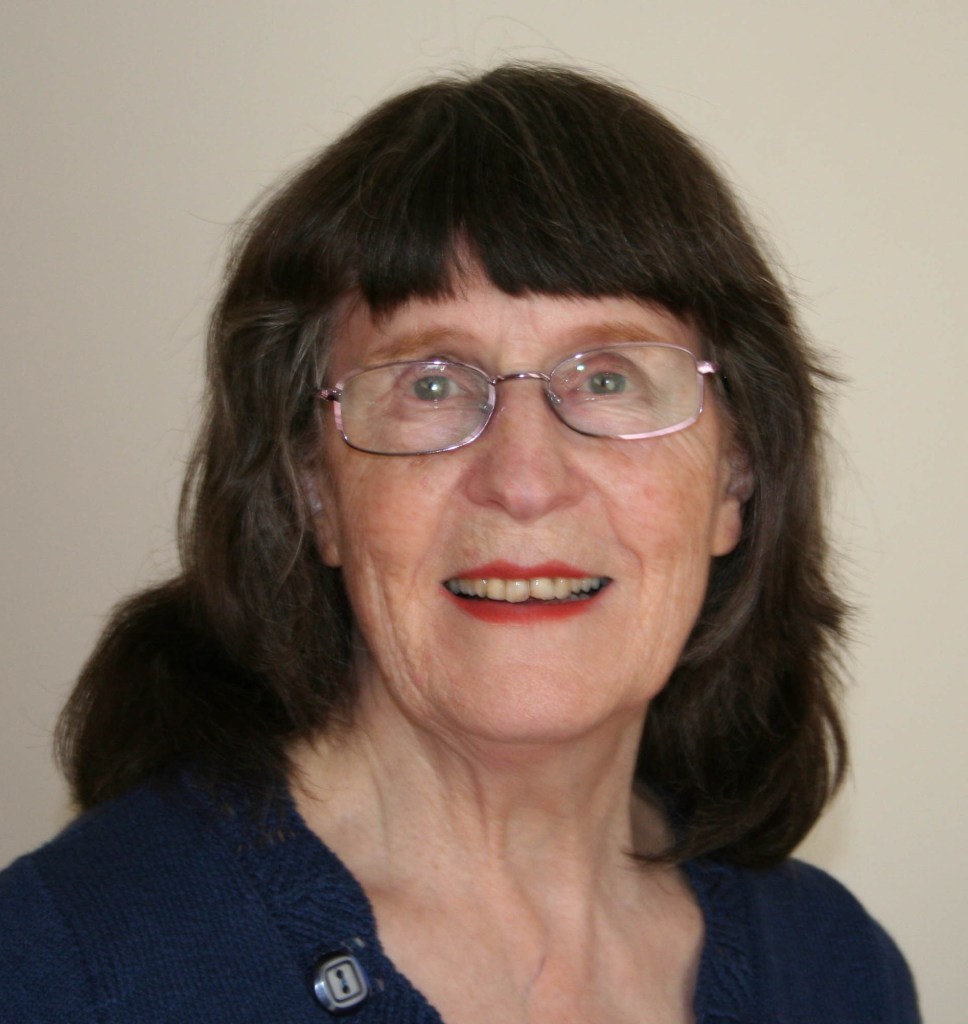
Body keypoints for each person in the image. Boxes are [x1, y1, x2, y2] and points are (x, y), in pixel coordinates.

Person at [0, 64, 919, 1023]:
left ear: (737, 477)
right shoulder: (63, 968)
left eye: (607, 380)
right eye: (431, 384)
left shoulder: (836, 971)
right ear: (313, 489)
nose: (524, 478)